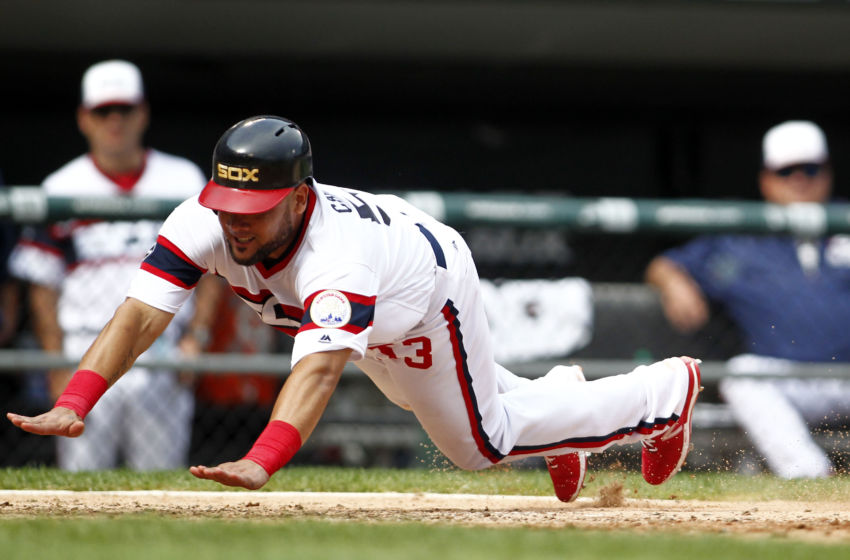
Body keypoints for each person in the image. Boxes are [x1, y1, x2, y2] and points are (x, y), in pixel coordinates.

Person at [8, 115, 702, 501]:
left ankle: (661, 393)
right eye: (229, 207)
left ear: (300, 199)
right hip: (377, 292)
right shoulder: (203, 218)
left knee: (477, 443)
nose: (235, 225)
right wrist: (78, 397)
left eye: (256, 210)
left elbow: (315, 373)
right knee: (428, 403)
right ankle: (557, 395)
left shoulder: (334, 260)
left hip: (424, 289)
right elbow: (139, 316)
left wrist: (262, 459)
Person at [7, 59, 219, 471]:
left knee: (160, 480)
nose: (115, 121)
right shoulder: (61, 186)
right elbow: (42, 285)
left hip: (163, 349)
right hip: (84, 348)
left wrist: (198, 335)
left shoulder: (183, 178)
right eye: (104, 111)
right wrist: (56, 363)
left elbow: (214, 269)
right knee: (81, 476)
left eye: (124, 109)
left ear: (143, 113)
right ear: (85, 118)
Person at [645, 120, 850, 478]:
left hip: (847, 374)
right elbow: (664, 265)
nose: (799, 179)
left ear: (828, 174)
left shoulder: (844, 219)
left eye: (810, 169)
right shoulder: (742, 237)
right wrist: (673, 281)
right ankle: (811, 476)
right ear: (766, 180)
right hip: (785, 378)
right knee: (742, 375)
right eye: (786, 171)